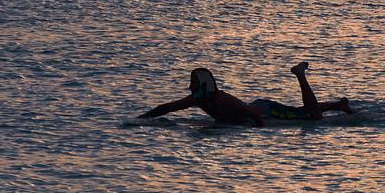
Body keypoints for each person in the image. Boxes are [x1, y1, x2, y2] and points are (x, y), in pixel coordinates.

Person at [139, 62, 353, 125]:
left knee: (313, 117)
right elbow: (167, 108)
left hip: (266, 110)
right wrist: (143, 118)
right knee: (299, 111)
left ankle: (300, 75)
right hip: (258, 107)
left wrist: (261, 128)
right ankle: (338, 105)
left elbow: (252, 115)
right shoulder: (196, 100)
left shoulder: (222, 98)